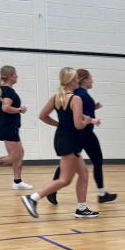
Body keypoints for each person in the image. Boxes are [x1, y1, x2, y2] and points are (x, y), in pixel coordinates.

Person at [20, 68, 99, 219]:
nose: (78, 81)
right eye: (76, 78)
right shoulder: (76, 99)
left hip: (62, 138)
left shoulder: (57, 97)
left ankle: (82, 208)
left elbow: (43, 116)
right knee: (64, 179)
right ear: (71, 80)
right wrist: (87, 121)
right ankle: (32, 198)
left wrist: (59, 125)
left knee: (83, 173)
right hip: (70, 140)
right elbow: (78, 125)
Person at [45, 69, 116, 205]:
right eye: (90, 78)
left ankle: (100, 194)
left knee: (88, 163)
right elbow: (77, 115)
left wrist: (93, 109)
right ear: (83, 79)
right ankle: (45, 193)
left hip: (86, 132)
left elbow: (80, 112)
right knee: (72, 165)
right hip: (82, 133)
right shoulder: (79, 95)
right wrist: (90, 120)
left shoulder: (79, 94)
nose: (92, 81)